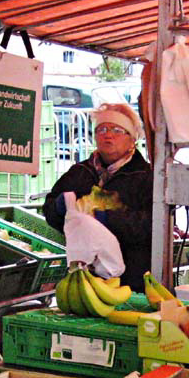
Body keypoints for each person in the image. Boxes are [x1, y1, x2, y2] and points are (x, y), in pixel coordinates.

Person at [43, 102, 153, 289]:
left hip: (130, 279)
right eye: (101, 129)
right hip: (84, 277)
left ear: (132, 139)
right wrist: (59, 207)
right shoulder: (80, 172)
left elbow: (150, 224)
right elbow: (50, 209)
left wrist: (106, 218)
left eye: (117, 130)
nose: (108, 135)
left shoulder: (146, 176)